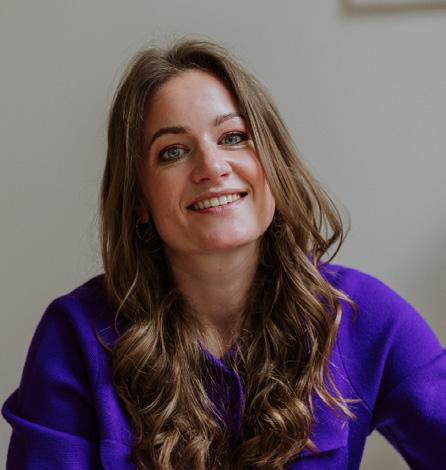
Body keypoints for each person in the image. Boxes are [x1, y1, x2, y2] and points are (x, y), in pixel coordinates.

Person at [2, 39, 445, 470]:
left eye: (233, 137)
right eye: (173, 152)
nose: (212, 167)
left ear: (273, 164)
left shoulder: (363, 315)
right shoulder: (74, 336)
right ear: (139, 198)